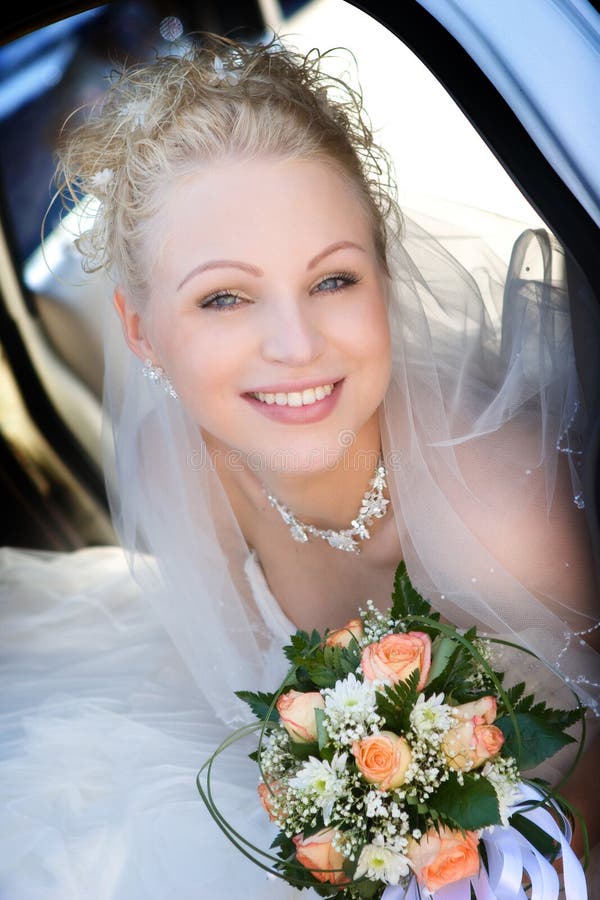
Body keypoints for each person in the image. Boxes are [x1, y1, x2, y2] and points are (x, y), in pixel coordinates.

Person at [1, 31, 598, 898]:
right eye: (224, 298)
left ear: (383, 277)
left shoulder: (497, 501)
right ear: (140, 332)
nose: (295, 345)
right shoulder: (174, 468)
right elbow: (249, 719)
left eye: (332, 281)